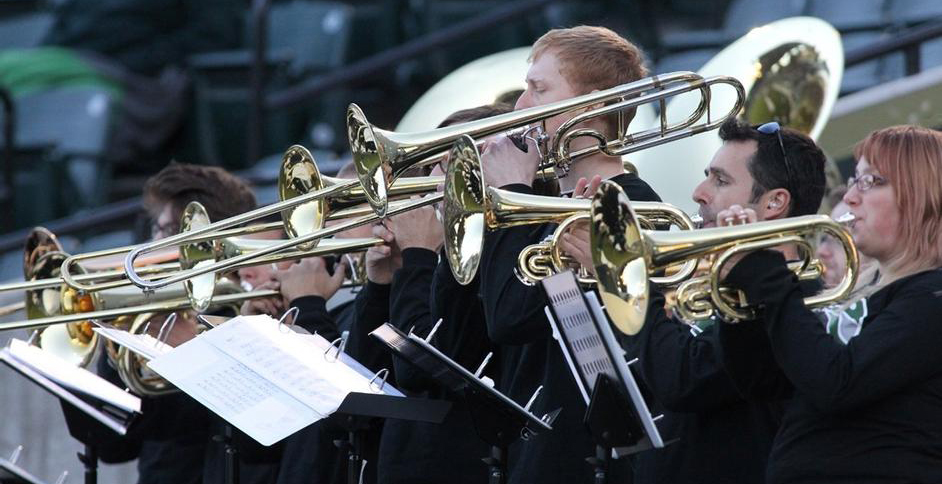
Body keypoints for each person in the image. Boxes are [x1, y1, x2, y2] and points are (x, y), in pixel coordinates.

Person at [596, 118, 826, 484]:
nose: (699, 192)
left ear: (774, 203)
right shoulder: (708, 286)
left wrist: (631, 278)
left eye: (721, 180)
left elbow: (682, 378)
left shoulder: (798, 301)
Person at [475, 26, 655, 483]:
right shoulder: (546, 202)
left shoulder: (630, 206)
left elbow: (510, 317)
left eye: (538, 89)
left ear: (592, 106)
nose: (519, 107)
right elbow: (470, 328)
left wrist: (512, 192)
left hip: (577, 459)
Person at [717, 125, 942, 483]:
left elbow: (838, 383)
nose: (851, 197)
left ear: (922, 195)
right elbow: (762, 381)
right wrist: (737, 291)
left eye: (872, 182)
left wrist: (769, 275)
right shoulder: (863, 290)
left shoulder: (932, 297)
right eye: (855, 180)